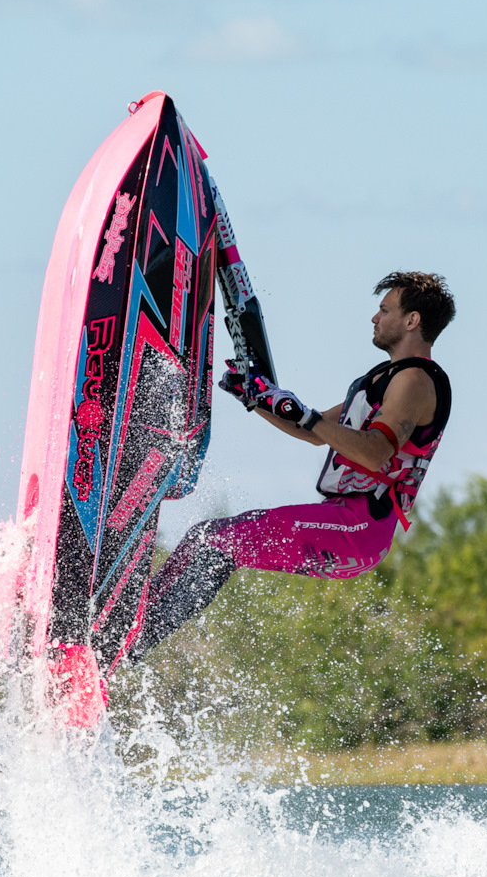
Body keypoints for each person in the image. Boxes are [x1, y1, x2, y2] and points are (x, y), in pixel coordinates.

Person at [128, 270, 454, 660]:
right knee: (208, 538)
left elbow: (374, 452)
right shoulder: (383, 379)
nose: (374, 318)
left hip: (359, 528)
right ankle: (130, 626)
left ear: (411, 320)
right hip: (343, 520)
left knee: (214, 542)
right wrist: (257, 398)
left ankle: (126, 645)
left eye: (384, 310)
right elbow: (316, 432)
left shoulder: (416, 380)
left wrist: (305, 414)